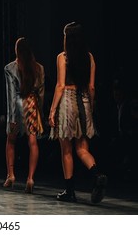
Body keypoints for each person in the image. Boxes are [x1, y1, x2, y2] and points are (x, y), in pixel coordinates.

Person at [49, 21, 107, 203]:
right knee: (82, 149)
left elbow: (60, 85)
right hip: (84, 101)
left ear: (67, 38)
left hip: (67, 101)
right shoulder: (89, 57)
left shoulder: (62, 57)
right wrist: (91, 107)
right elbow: (91, 87)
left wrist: (52, 110)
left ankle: (69, 191)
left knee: (66, 149)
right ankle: (97, 175)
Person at [4, 37, 45, 193]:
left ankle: (11, 175)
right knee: (33, 142)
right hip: (32, 104)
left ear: (17, 50)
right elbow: (41, 93)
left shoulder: (10, 68)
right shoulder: (39, 68)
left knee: (11, 141)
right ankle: (30, 178)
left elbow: (11, 95)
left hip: (18, 104)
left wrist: (12, 118)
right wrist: (40, 112)